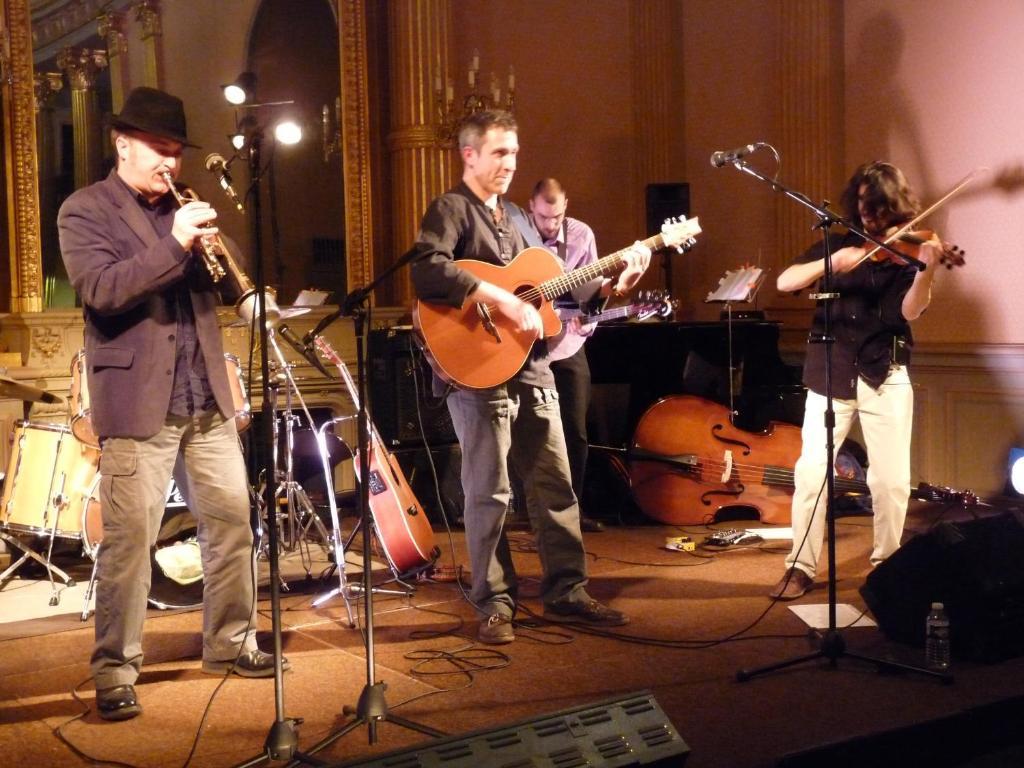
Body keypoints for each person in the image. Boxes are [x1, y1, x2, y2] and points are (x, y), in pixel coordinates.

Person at [58, 87, 286, 721]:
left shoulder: (185, 207)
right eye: (160, 149)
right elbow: (103, 290)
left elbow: (226, 274)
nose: (170, 163)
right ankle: (114, 670)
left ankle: (231, 641)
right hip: (138, 403)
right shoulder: (85, 210)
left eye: (177, 152)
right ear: (122, 144)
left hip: (205, 397)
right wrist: (175, 243)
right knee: (130, 544)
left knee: (233, 525)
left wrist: (228, 263)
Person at [409, 110, 649, 644]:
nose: (510, 163)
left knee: (555, 484)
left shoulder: (518, 217)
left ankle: (567, 590)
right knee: (490, 492)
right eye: (499, 153)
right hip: (478, 372)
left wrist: (616, 283)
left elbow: (557, 289)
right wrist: (495, 297)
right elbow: (427, 268)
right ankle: (494, 601)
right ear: (469, 155)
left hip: (533, 364)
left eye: (514, 153)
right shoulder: (451, 208)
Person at [769, 161, 942, 600]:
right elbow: (785, 281)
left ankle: (886, 566)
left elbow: (908, 312)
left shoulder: (909, 250)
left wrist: (928, 270)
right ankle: (800, 566)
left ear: (894, 206)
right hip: (830, 368)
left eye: (878, 207)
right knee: (811, 473)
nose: (869, 215)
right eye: (863, 204)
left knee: (889, 479)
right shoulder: (838, 240)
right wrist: (832, 261)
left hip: (885, 370)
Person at [529, 178, 629, 533]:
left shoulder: (582, 235)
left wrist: (591, 317)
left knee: (574, 429)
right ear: (531, 207)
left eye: (556, 217)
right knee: (525, 429)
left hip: (568, 343)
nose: (550, 225)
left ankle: (573, 510)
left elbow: (593, 295)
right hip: (525, 345)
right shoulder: (518, 233)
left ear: (566, 206)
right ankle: (531, 512)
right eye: (543, 217)